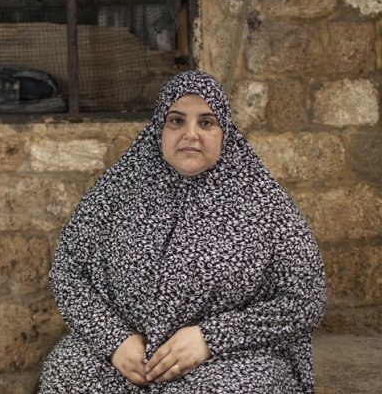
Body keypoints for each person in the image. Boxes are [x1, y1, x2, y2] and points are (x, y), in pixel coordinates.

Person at [38, 71, 326, 393]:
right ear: (160, 127)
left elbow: (305, 299)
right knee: (66, 372)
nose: (190, 134)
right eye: (176, 121)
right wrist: (114, 339)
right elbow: (68, 271)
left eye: (206, 122)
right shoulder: (118, 190)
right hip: (130, 357)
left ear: (224, 131)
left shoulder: (262, 201)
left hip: (227, 358)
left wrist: (211, 337)